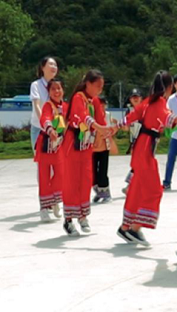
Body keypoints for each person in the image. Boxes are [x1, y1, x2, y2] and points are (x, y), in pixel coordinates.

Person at [118, 71, 177, 246]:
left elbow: (131, 116)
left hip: (141, 148)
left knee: (137, 189)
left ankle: (126, 226)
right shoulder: (159, 103)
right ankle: (134, 228)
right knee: (154, 190)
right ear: (169, 87)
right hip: (145, 151)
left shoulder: (148, 101)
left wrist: (116, 126)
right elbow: (168, 117)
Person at [61, 70, 115, 236]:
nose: (100, 89)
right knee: (71, 180)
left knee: (85, 179)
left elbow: (100, 120)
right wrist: (99, 128)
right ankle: (68, 219)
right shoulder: (78, 97)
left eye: (102, 87)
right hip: (73, 143)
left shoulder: (95, 101)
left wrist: (109, 131)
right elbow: (83, 117)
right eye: (97, 86)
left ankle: (83, 216)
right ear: (88, 84)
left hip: (86, 144)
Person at [36, 78, 67, 223]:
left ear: (63, 90)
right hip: (45, 145)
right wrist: (50, 129)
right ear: (48, 91)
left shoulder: (66, 106)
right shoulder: (48, 106)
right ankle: (44, 208)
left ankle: (55, 200)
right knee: (44, 177)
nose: (56, 91)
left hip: (59, 145)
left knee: (61, 174)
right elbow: (45, 118)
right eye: (53, 89)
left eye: (59, 88)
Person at [30, 57, 58, 152]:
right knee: (40, 158)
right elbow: (37, 105)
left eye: (55, 65)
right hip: (39, 128)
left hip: (55, 129)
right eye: (51, 64)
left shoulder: (57, 86)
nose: (54, 67)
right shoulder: (36, 85)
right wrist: (46, 124)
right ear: (42, 67)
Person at [92, 96, 115, 204]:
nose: (101, 106)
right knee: (92, 171)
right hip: (93, 147)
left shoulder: (108, 115)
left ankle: (106, 194)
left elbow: (110, 127)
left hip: (104, 146)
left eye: (103, 104)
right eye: (99, 104)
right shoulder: (92, 115)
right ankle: (99, 192)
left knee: (103, 171)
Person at [121, 89, 143, 195]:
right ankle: (132, 186)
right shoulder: (129, 111)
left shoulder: (145, 109)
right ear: (130, 99)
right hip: (134, 142)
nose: (135, 99)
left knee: (140, 165)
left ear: (141, 98)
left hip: (144, 141)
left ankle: (131, 186)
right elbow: (126, 127)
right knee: (138, 165)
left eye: (137, 97)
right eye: (133, 97)